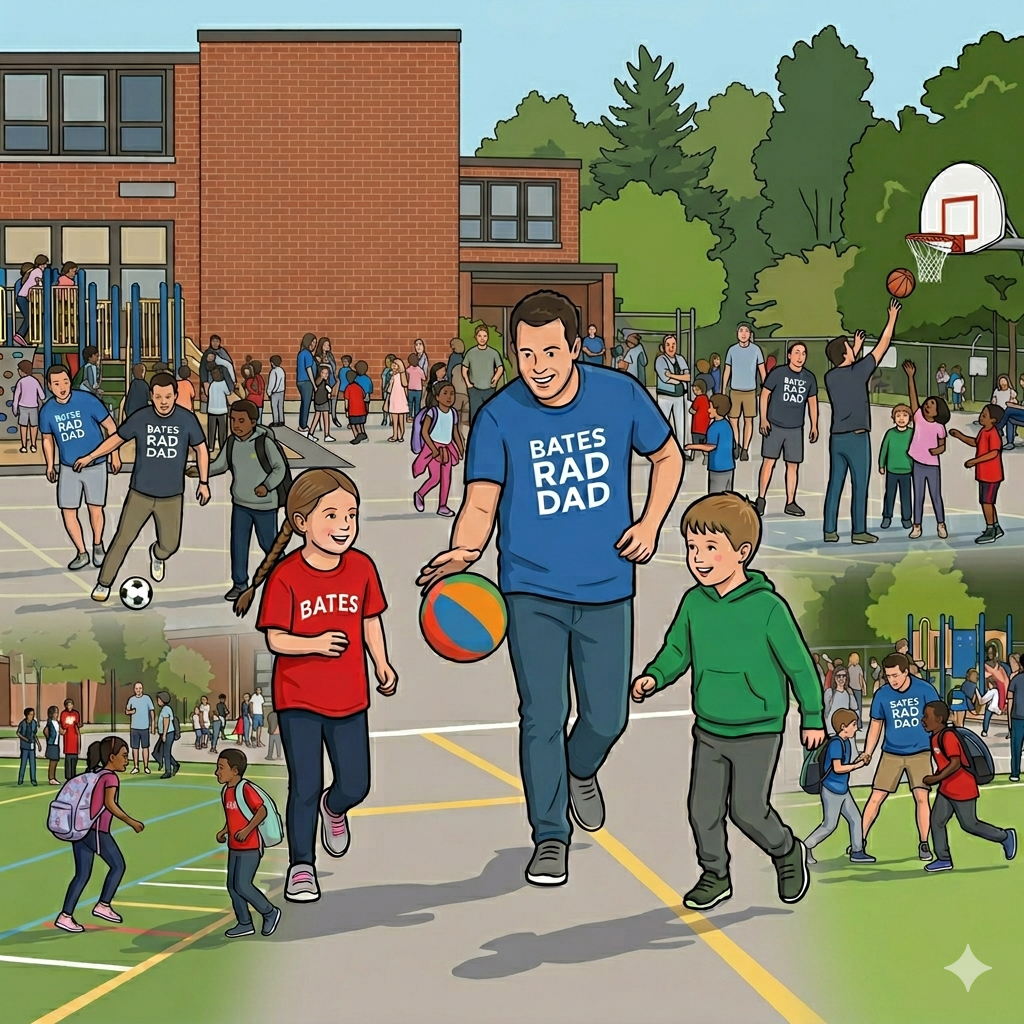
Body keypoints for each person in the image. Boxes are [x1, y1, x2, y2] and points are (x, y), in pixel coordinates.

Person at [419, 289, 682, 888]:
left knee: (607, 717)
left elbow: (667, 457)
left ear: (575, 347)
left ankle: (579, 768)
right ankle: (549, 836)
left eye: (550, 352)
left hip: (607, 585)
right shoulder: (499, 417)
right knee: (542, 714)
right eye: (526, 353)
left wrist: (650, 524)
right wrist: (465, 550)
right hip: (529, 590)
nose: (538, 366)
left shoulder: (619, 394)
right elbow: (480, 500)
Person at [632, 492, 824, 909]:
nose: (698, 558)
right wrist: (654, 676)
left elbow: (800, 666)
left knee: (748, 810)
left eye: (710, 548)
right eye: (692, 548)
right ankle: (715, 875)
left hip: (758, 729)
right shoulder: (694, 603)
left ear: (742, 552)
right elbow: (677, 650)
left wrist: (812, 716)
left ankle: (787, 851)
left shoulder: (768, 608)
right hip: (710, 728)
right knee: (702, 811)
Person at [229, 468, 399, 903]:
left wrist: (382, 663)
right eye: (332, 515)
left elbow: (370, 619)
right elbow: (275, 639)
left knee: (356, 784)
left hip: (350, 696)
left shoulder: (361, 567)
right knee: (304, 785)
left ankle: (334, 808)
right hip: (299, 699)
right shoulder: (286, 575)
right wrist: (315, 643)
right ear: (302, 522)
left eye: (351, 515)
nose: (344, 525)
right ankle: (301, 866)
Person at [74, 371, 211, 602]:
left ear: (175, 395)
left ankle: (157, 555)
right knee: (122, 538)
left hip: (171, 496)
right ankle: (103, 583)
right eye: (158, 397)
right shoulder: (141, 417)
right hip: (140, 493)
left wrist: (204, 482)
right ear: (151, 396)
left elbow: (201, 449)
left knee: (170, 545)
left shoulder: (186, 419)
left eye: (168, 396)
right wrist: (91, 456)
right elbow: (117, 438)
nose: (163, 402)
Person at [823, 299, 901, 544]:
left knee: (835, 484)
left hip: (837, 438)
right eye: (850, 347)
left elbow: (846, 366)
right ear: (846, 354)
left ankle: (829, 530)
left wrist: (853, 350)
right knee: (859, 485)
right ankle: (858, 532)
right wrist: (892, 318)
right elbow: (883, 345)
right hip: (857, 438)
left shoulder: (830, 377)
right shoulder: (859, 372)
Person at [194, 400, 287, 602]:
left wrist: (267, 485)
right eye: (233, 420)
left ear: (253, 422)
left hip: (264, 506)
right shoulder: (232, 443)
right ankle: (239, 584)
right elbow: (220, 465)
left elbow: (280, 468)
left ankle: (285, 578)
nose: (236, 425)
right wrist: (200, 471)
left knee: (269, 545)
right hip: (241, 504)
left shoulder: (264, 443)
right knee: (239, 545)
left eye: (241, 421)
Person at [54, 736, 145, 933]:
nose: (127, 760)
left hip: (82, 829)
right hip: (96, 831)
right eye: (124, 755)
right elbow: (110, 804)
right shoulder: (110, 778)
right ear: (112, 757)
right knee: (118, 865)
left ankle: (65, 916)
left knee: (82, 874)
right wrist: (131, 822)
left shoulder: (95, 774)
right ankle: (103, 905)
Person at [39, 365, 121, 571]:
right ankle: (81, 552)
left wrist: (114, 454)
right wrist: (50, 464)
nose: (62, 387)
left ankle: (98, 546)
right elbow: (47, 439)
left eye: (65, 382)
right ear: (49, 386)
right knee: (68, 511)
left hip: (95, 465)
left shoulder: (87, 400)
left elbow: (111, 427)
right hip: (68, 468)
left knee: (95, 509)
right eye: (56, 383)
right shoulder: (47, 410)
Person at [921, 701, 1015, 872]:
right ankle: (943, 859)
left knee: (970, 824)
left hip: (962, 788)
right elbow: (944, 762)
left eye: (927, 716)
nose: (923, 720)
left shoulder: (948, 736)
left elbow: (955, 762)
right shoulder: (935, 737)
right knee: (936, 821)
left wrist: (936, 778)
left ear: (939, 719)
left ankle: (1005, 836)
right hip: (946, 789)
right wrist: (938, 778)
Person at [858, 652, 935, 861]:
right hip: (891, 752)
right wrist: (867, 752)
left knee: (921, 797)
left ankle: (924, 843)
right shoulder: (882, 695)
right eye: (888, 676)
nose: (891, 680)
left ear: (906, 672)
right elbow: (876, 725)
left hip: (920, 752)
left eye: (895, 675)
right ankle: (859, 842)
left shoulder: (925, 690)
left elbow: (937, 719)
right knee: (876, 797)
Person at [215, 749, 282, 937]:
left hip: (250, 847)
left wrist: (246, 831)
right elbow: (233, 816)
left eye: (221, 768)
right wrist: (224, 831)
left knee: (243, 885)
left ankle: (270, 912)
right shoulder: (226, 791)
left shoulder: (245, 789)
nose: (217, 772)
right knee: (232, 886)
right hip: (235, 847)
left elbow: (261, 811)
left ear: (235, 770)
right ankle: (244, 923)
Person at [755, 341, 819, 517]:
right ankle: (761, 499)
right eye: (797, 352)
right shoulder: (778, 373)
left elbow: (812, 403)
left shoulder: (809, 378)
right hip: (774, 425)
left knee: (793, 466)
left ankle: (790, 502)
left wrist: (814, 424)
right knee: (769, 462)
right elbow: (765, 395)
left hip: (795, 428)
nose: (800, 357)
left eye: (803, 353)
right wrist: (763, 419)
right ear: (789, 355)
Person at [804, 709, 874, 865]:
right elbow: (838, 768)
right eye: (853, 725)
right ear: (843, 727)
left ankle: (857, 851)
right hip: (832, 790)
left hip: (842, 789)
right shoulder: (836, 743)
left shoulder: (845, 742)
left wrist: (860, 759)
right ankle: (805, 847)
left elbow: (845, 764)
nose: (856, 728)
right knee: (829, 826)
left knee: (855, 819)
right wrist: (857, 765)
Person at [903, 360, 950, 539]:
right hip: (918, 463)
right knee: (919, 495)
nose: (927, 406)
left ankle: (941, 524)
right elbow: (913, 397)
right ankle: (917, 526)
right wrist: (911, 377)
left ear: (938, 412)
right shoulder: (918, 417)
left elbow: (943, 445)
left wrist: (937, 451)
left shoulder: (939, 427)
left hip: (932, 465)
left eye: (931, 405)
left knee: (935, 495)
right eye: (927, 403)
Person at [950, 404, 1005, 544]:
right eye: (982, 413)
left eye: (984, 415)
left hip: (992, 475)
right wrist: (960, 436)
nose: (981, 416)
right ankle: (996, 527)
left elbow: (993, 453)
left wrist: (974, 461)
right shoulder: (983, 431)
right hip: (983, 475)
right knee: (987, 501)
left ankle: (990, 530)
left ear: (993, 420)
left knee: (987, 502)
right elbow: (975, 442)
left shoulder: (993, 433)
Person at [412, 379, 464, 517]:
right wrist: (433, 449)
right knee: (435, 477)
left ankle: (442, 506)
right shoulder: (432, 412)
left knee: (446, 478)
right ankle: (420, 494)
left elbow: (455, 432)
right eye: (445, 393)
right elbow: (424, 432)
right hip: (433, 448)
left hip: (447, 449)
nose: (449, 397)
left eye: (452, 393)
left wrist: (460, 447)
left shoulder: (453, 413)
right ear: (437, 397)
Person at [722, 323, 766, 462]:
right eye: (741, 331)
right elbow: (727, 370)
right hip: (734, 391)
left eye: (746, 331)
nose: (743, 334)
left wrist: (766, 388)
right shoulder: (732, 350)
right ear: (737, 334)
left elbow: (762, 370)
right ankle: (736, 446)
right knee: (733, 420)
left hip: (750, 391)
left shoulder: (756, 350)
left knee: (748, 420)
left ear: (750, 334)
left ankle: (745, 449)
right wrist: (723, 389)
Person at [685, 393, 735, 493]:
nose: (708, 410)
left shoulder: (714, 427)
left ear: (717, 409)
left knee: (715, 498)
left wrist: (690, 446)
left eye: (711, 407)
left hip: (717, 469)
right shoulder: (727, 425)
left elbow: (709, 447)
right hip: (729, 467)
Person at [878, 404, 914, 530]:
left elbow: (916, 451)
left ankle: (906, 518)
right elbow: (884, 449)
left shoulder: (912, 433)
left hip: (907, 471)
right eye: (898, 416)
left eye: (905, 415)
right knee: (890, 495)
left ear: (910, 418)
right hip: (892, 470)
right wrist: (881, 464)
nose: (901, 418)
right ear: (894, 418)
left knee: (906, 496)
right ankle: (887, 517)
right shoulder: (890, 433)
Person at [462, 326, 505, 422]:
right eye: (480, 336)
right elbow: (464, 368)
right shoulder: (470, 353)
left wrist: (495, 379)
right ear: (475, 337)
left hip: (489, 389)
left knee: (490, 414)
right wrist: (468, 384)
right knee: (475, 415)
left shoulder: (494, 353)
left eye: (485, 336)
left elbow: (500, 368)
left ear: (488, 337)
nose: (482, 338)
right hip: (475, 390)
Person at [654, 334, 690, 446]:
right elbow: (666, 378)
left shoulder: (680, 359)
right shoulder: (660, 360)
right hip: (665, 397)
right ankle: (661, 449)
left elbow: (688, 377)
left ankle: (681, 449)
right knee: (663, 425)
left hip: (680, 396)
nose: (671, 347)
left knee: (680, 425)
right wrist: (679, 377)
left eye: (673, 344)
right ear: (663, 346)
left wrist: (672, 375)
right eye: (668, 345)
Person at [13, 359, 46, 454]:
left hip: (22, 407)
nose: (19, 372)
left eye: (19, 370)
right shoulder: (35, 381)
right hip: (34, 407)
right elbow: (42, 396)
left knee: (23, 426)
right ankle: (33, 445)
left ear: (23, 371)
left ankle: (24, 446)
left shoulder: (20, 382)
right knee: (33, 426)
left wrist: (15, 409)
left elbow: (16, 397)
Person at [125, 682, 155, 775]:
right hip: (134, 728)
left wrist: (153, 724)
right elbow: (127, 711)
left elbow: (152, 711)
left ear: (142, 689)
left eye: (140, 688)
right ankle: (136, 767)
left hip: (144, 727)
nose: (138, 690)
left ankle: (146, 766)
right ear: (134, 690)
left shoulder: (147, 698)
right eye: (137, 688)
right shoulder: (131, 699)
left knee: (145, 747)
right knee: (135, 748)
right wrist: (131, 712)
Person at [823, 668, 860, 744]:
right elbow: (825, 713)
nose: (841, 678)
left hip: (845, 730)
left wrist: (851, 695)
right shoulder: (829, 693)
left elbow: (855, 709)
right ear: (834, 678)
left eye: (844, 676)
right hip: (831, 730)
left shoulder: (848, 693)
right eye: (838, 676)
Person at [16, 254, 48, 336]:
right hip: (23, 297)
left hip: (22, 297)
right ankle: (19, 335)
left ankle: (20, 335)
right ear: (41, 264)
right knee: (28, 318)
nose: (45, 266)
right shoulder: (38, 271)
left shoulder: (34, 271)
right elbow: (39, 283)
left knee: (29, 317)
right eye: (44, 264)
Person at [205, 366, 233, 454]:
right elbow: (228, 392)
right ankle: (222, 445)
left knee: (211, 430)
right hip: (222, 410)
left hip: (211, 410)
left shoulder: (212, 384)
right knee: (222, 430)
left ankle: (211, 446)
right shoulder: (224, 384)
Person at [154, 690, 179, 778]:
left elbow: (166, 722)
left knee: (166, 753)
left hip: (168, 733)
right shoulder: (165, 709)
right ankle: (175, 764)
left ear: (163, 700)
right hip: (166, 734)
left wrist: (164, 734)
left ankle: (168, 771)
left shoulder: (165, 709)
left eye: (159, 699)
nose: (158, 701)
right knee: (162, 752)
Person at [295, 333, 317, 432]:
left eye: (315, 343)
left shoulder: (301, 353)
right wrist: (314, 384)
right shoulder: (307, 353)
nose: (313, 345)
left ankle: (302, 424)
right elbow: (309, 369)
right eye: (312, 342)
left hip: (301, 381)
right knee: (306, 404)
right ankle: (303, 425)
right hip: (307, 382)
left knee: (304, 403)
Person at [307, 364, 334, 443]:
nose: (325, 375)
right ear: (320, 373)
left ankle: (311, 433)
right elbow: (317, 383)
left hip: (320, 400)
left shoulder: (325, 381)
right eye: (323, 373)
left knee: (317, 416)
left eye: (327, 373)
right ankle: (326, 435)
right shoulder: (319, 380)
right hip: (322, 400)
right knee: (325, 417)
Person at [385, 357, 409, 442]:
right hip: (394, 398)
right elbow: (389, 388)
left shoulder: (401, 375)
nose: (394, 366)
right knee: (394, 420)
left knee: (401, 420)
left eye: (396, 365)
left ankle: (401, 435)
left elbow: (405, 387)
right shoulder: (392, 375)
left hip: (401, 398)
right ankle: (395, 435)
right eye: (393, 364)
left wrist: (406, 399)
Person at [1007, 663, 1024, 781]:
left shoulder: (1015, 679)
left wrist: (1009, 721)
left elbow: (1010, 700)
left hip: (1017, 718)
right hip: (1017, 717)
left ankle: (1015, 773)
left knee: (1016, 747)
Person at [343, 369, 369, 444]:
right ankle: (364, 435)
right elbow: (363, 396)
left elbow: (346, 400)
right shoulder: (359, 387)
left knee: (353, 424)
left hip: (353, 410)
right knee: (360, 424)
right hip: (362, 410)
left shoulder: (348, 388)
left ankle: (356, 436)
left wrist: (346, 410)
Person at [17, 707, 41, 786]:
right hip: (24, 747)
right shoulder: (22, 723)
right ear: (26, 715)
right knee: (23, 763)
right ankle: (20, 779)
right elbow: (18, 733)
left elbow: (34, 735)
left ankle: (33, 779)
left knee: (33, 764)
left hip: (32, 747)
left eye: (33, 714)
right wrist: (25, 739)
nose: (32, 716)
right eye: (30, 714)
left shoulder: (34, 723)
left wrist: (38, 744)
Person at [689, 379, 711, 464]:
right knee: (704, 443)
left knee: (695, 443)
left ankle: (692, 456)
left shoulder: (698, 399)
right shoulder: (706, 399)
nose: (695, 391)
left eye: (697, 389)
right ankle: (706, 456)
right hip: (705, 426)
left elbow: (692, 410)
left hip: (697, 426)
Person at [60, 699, 81, 779]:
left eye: (71, 704)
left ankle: (73, 774)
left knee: (75, 757)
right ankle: (68, 775)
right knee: (68, 758)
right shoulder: (63, 713)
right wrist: (68, 724)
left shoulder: (76, 713)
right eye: (68, 705)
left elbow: (78, 723)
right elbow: (63, 724)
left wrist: (77, 724)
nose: (69, 706)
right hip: (68, 737)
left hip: (75, 736)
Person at [846, 652, 865, 728]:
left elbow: (847, 680)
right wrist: (863, 688)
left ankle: (853, 724)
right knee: (859, 708)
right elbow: (860, 679)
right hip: (858, 689)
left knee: (852, 707)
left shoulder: (849, 668)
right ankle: (859, 724)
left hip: (851, 689)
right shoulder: (859, 667)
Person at [266, 355, 286, 427]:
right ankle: (282, 420)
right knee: (280, 406)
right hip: (282, 391)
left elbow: (272, 383)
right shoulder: (281, 370)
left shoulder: (273, 371)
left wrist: (269, 392)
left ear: (272, 363)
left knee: (274, 407)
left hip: (274, 392)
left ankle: (276, 421)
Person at [43, 705, 61, 785]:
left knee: (56, 760)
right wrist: (49, 738)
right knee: (53, 761)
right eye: (55, 713)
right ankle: (51, 778)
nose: (56, 714)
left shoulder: (57, 722)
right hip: (52, 744)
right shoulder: (50, 722)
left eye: (57, 713)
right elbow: (45, 731)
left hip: (56, 743)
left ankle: (53, 777)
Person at [406, 352, 426, 419]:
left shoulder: (409, 369)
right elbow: (424, 378)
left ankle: (409, 416)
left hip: (410, 389)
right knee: (417, 404)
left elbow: (406, 375)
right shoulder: (420, 370)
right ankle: (417, 416)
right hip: (418, 389)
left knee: (410, 403)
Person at [381, 354, 395, 427]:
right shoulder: (386, 370)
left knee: (391, 405)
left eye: (389, 362)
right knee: (385, 405)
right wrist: (383, 388)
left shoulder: (393, 371)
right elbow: (383, 379)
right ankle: (385, 419)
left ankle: (391, 420)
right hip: (385, 390)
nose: (387, 363)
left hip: (391, 390)